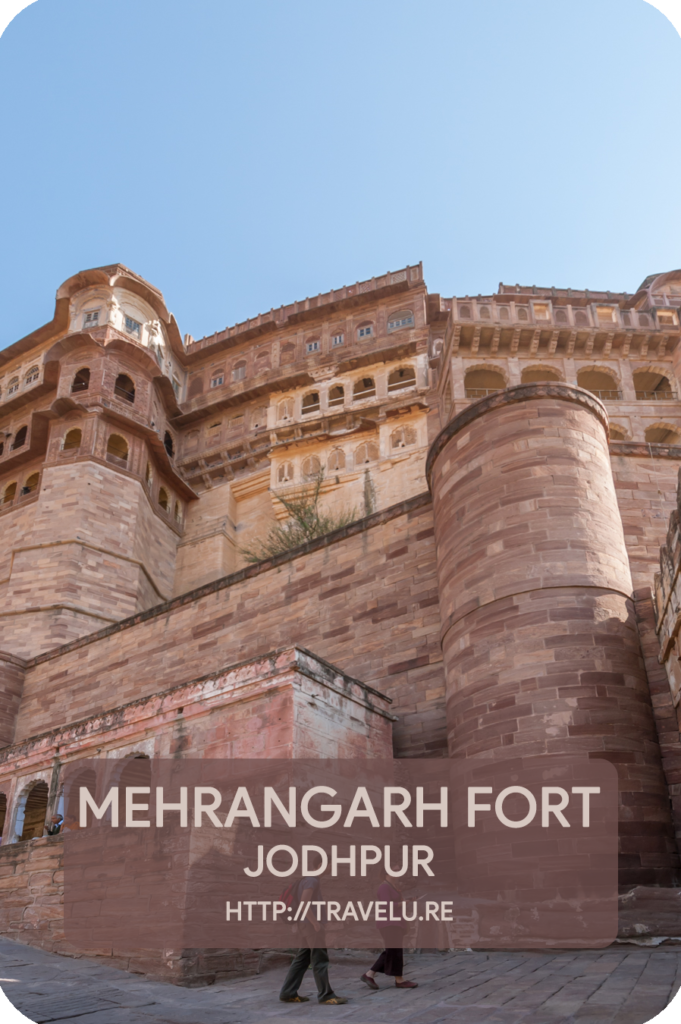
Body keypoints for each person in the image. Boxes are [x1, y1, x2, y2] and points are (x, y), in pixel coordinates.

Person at [279, 853, 348, 1005]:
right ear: (321, 865)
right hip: (311, 926)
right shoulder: (312, 880)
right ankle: (326, 995)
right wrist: (316, 923)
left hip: (306, 925)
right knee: (320, 959)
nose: (332, 867)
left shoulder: (307, 879)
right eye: (331, 864)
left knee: (302, 960)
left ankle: (288, 992)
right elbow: (304, 903)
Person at [360, 870, 418, 990]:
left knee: (394, 951)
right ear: (386, 872)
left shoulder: (391, 886)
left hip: (395, 922)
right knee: (393, 950)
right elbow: (386, 905)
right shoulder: (384, 887)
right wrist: (403, 903)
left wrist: (407, 901)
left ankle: (394, 978)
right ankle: (372, 975)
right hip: (389, 923)